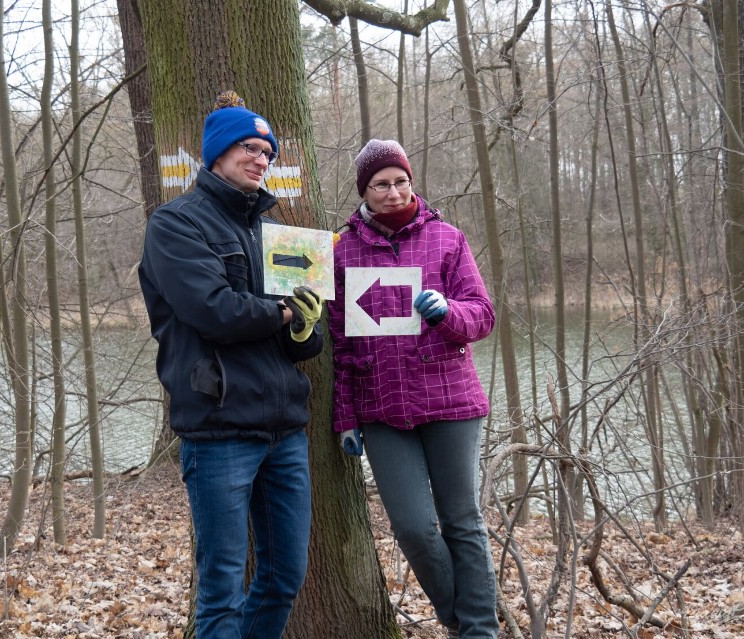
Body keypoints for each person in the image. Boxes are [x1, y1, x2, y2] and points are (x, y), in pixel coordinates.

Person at [139, 91, 324, 639]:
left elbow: (302, 344)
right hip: (219, 429)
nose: (261, 159)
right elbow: (212, 312)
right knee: (221, 592)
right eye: (249, 148)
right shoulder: (175, 225)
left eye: (267, 152)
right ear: (216, 153)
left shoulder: (276, 236)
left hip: (285, 430)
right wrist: (285, 308)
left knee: (285, 577)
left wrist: (303, 326)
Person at [327, 139, 499, 638]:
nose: (394, 191)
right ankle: (457, 617)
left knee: (462, 521)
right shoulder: (342, 251)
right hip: (382, 409)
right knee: (413, 529)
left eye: (401, 181)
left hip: (450, 403)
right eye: (381, 184)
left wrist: (447, 313)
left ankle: (479, 632)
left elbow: (482, 314)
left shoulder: (447, 239)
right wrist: (344, 418)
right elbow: (336, 344)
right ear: (364, 190)